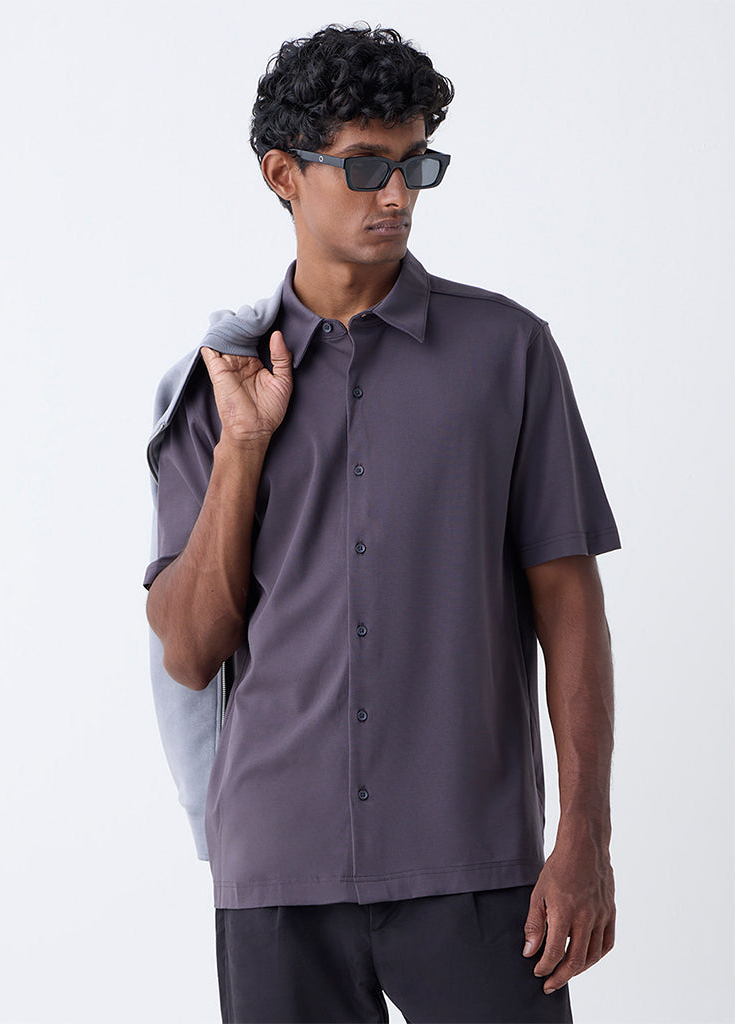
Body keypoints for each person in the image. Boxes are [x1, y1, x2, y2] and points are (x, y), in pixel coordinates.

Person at [143, 21, 621, 1024]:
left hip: (473, 863)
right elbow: (189, 650)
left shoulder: (508, 353)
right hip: (278, 868)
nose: (397, 194)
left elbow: (569, 602)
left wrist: (585, 834)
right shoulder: (214, 386)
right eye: (365, 166)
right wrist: (242, 447)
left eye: (416, 165)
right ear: (283, 174)